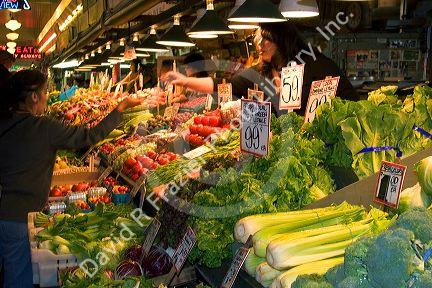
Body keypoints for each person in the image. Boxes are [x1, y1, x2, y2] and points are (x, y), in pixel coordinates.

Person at [0, 70, 143, 288]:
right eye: (44, 91)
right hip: (22, 219)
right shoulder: (44, 127)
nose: (47, 96)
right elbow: (88, 136)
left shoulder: (4, 124)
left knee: (13, 275)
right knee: (20, 280)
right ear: (34, 96)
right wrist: (120, 108)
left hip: (6, 214)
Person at [162, 22, 359, 116]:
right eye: (258, 39)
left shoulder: (315, 65)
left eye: (266, 39)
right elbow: (224, 85)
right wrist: (185, 80)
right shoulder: (260, 72)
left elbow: (350, 100)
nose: (259, 44)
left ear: (282, 41)